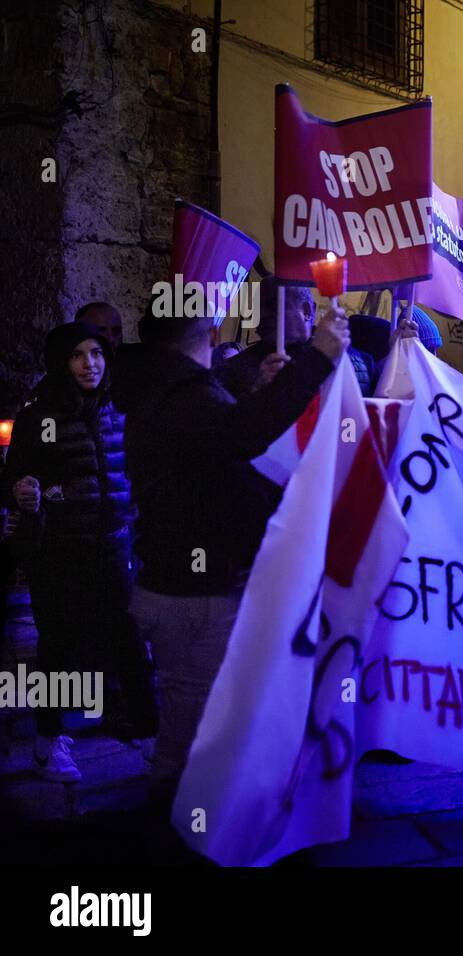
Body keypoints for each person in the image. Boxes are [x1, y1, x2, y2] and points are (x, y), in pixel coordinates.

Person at [112, 293, 350, 797]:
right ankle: (186, 819)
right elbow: (243, 435)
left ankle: (177, 802)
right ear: (211, 335)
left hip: (169, 577)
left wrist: (266, 387)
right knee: (205, 714)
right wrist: (319, 356)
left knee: (184, 705)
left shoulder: (161, 390)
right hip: (195, 589)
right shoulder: (187, 395)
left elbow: (219, 440)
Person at [3, 322, 158, 781]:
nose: (89, 364)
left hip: (113, 546)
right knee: (58, 648)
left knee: (130, 642)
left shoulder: (117, 408)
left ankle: (151, 737)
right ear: (61, 362)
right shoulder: (41, 417)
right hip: (58, 551)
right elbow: (13, 477)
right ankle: (47, 743)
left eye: (96, 353)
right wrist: (22, 489)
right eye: (77, 355)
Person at [216, 278, 316, 399]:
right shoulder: (233, 370)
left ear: (306, 311)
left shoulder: (332, 358)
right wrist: (257, 392)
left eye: (274, 306)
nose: (262, 315)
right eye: (257, 310)